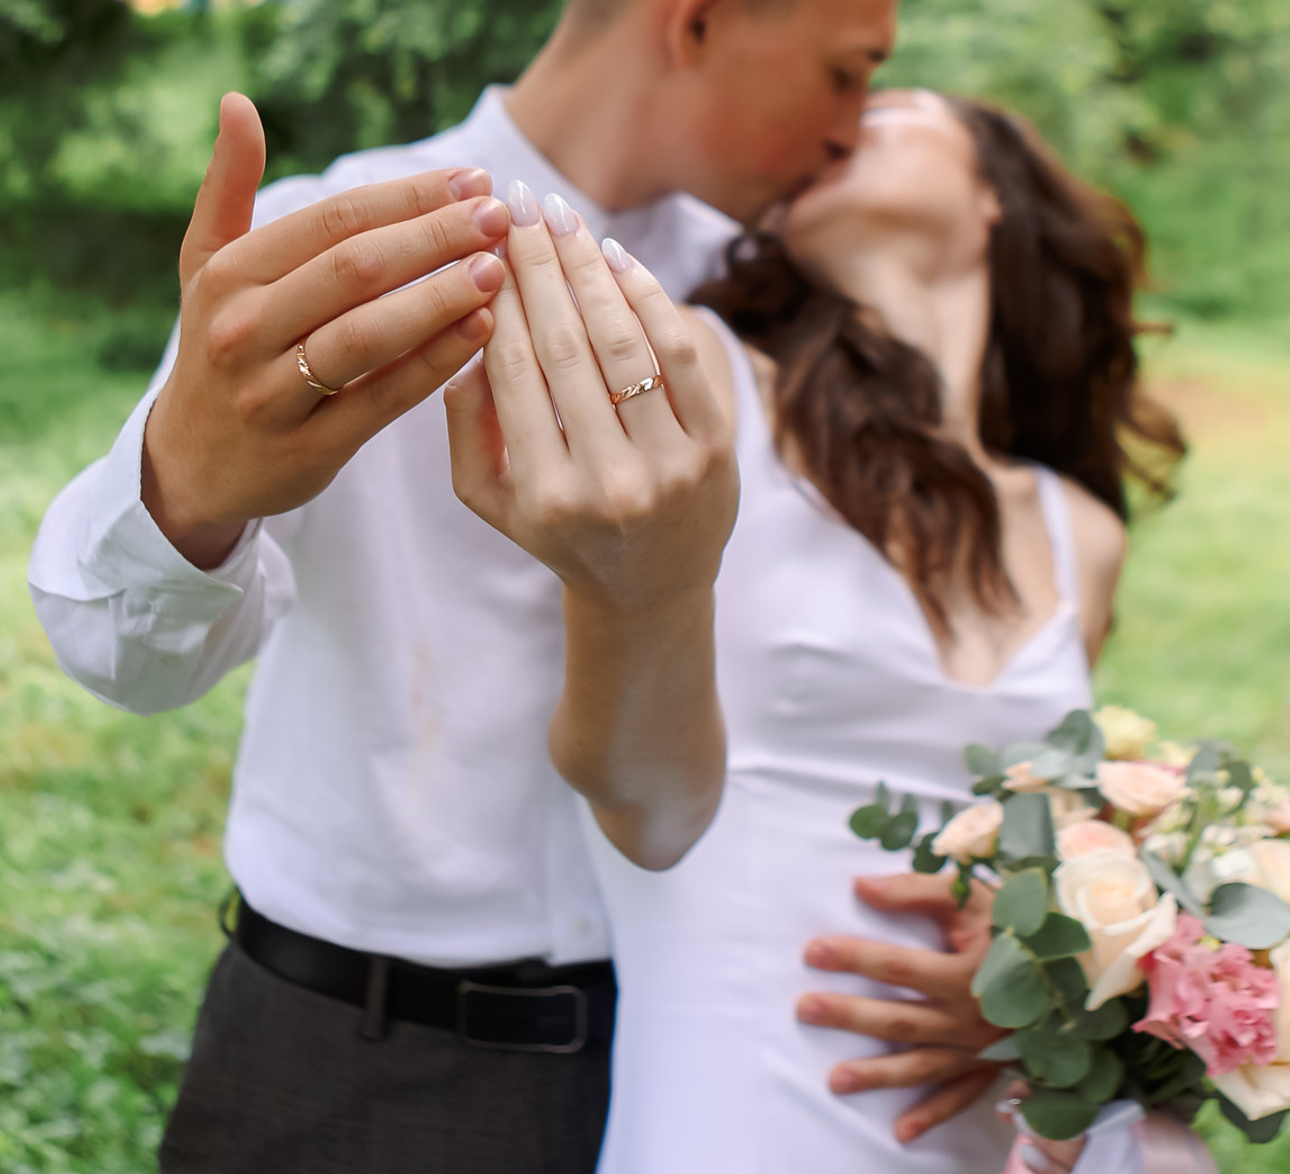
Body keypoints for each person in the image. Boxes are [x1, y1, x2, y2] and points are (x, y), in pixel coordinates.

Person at [28, 0, 1000, 1172]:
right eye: (846, 69)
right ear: (704, 12)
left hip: (695, 1069)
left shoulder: (782, 316)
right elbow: (121, 658)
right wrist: (184, 485)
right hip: (342, 1060)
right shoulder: (334, 251)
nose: (853, 127)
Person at [447, 86, 1187, 1171]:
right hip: (742, 1112)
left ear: (993, 194)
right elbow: (632, 793)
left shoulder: (1082, 535)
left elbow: (1054, 853)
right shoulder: (700, 385)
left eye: (887, 102)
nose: (836, 122)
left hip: (988, 1127)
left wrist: (1042, 987)